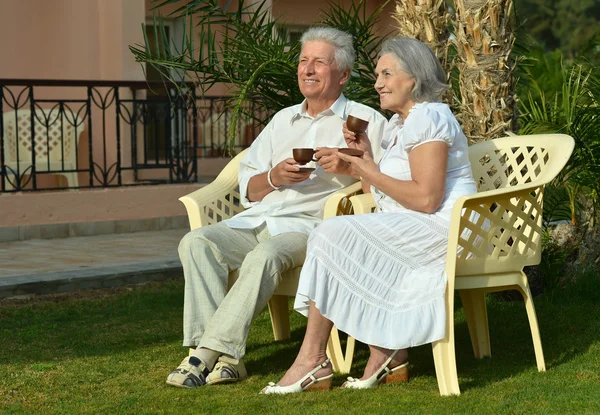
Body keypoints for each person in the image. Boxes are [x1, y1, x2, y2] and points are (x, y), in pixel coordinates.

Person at [166, 27, 387, 388]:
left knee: (265, 255)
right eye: (303, 61)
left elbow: (381, 186)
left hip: (311, 228)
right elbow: (248, 187)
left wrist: (351, 166)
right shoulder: (282, 119)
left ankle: (202, 356)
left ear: (343, 75)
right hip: (260, 218)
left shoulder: (364, 121)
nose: (308, 69)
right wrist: (274, 177)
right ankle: (228, 358)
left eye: (319, 62)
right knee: (197, 242)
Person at [260, 36, 477, 394]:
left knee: (332, 234)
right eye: (378, 74)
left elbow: (426, 198)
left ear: (415, 78)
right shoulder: (399, 126)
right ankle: (386, 355)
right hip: (417, 224)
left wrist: (367, 169)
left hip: (448, 229)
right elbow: (382, 199)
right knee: (339, 235)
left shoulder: (430, 116)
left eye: (387, 73)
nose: (377, 83)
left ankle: (312, 360)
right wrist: (363, 165)